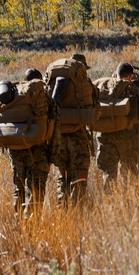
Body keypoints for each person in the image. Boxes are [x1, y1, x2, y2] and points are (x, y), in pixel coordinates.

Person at [6, 68, 60, 218]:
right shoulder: (46, 99)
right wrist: (52, 157)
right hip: (38, 153)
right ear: (39, 81)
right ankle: (32, 225)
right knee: (35, 191)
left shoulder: (13, 97)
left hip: (16, 152)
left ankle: (20, 224)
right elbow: (55, 130)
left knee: (18, 189)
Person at [51, 53, 97, 207]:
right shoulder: (86, 84)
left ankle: (62, 212)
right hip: (79, 137)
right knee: (79, 178)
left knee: (62, 177)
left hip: (59, 139)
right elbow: (95, 112)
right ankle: (78, 212)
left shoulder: (54, 83)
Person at [95, 62, 139, 181]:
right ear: (130, 76)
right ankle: (126, 198)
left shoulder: (103, 86)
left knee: (108, 174)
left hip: (105, 135)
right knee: (129, 173)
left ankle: (109, 199)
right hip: (127, 136)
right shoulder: (133, 89)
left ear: (116, 73)